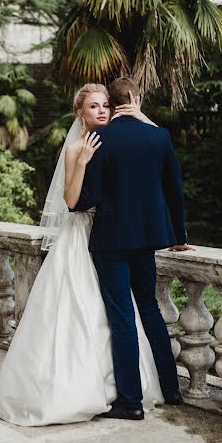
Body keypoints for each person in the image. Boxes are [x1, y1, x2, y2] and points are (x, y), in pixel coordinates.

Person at [0, 81, 177, 426]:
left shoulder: (115, 141)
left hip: (109, 236)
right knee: (79, 310)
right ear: (80, 113)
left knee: (112, 316)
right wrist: (81, 161)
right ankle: (80, 387)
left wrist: (140, 116)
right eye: (94, 106)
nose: (102, 111)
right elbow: (71, 201)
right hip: (83, 235)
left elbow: (155, 147)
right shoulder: (79, 147)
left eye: (105, 105)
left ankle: (120, 390)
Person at [72, 77, 193, 421]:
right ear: (137, 100)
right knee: (150, 309)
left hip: (110, 240)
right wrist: (178, 235)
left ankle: (131, 402)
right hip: (149, 239)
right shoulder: (159, 136)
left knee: (123, 318)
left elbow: (87, 199)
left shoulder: (99, 138)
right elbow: (175, 188)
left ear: (111, 102)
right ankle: (171, 389)